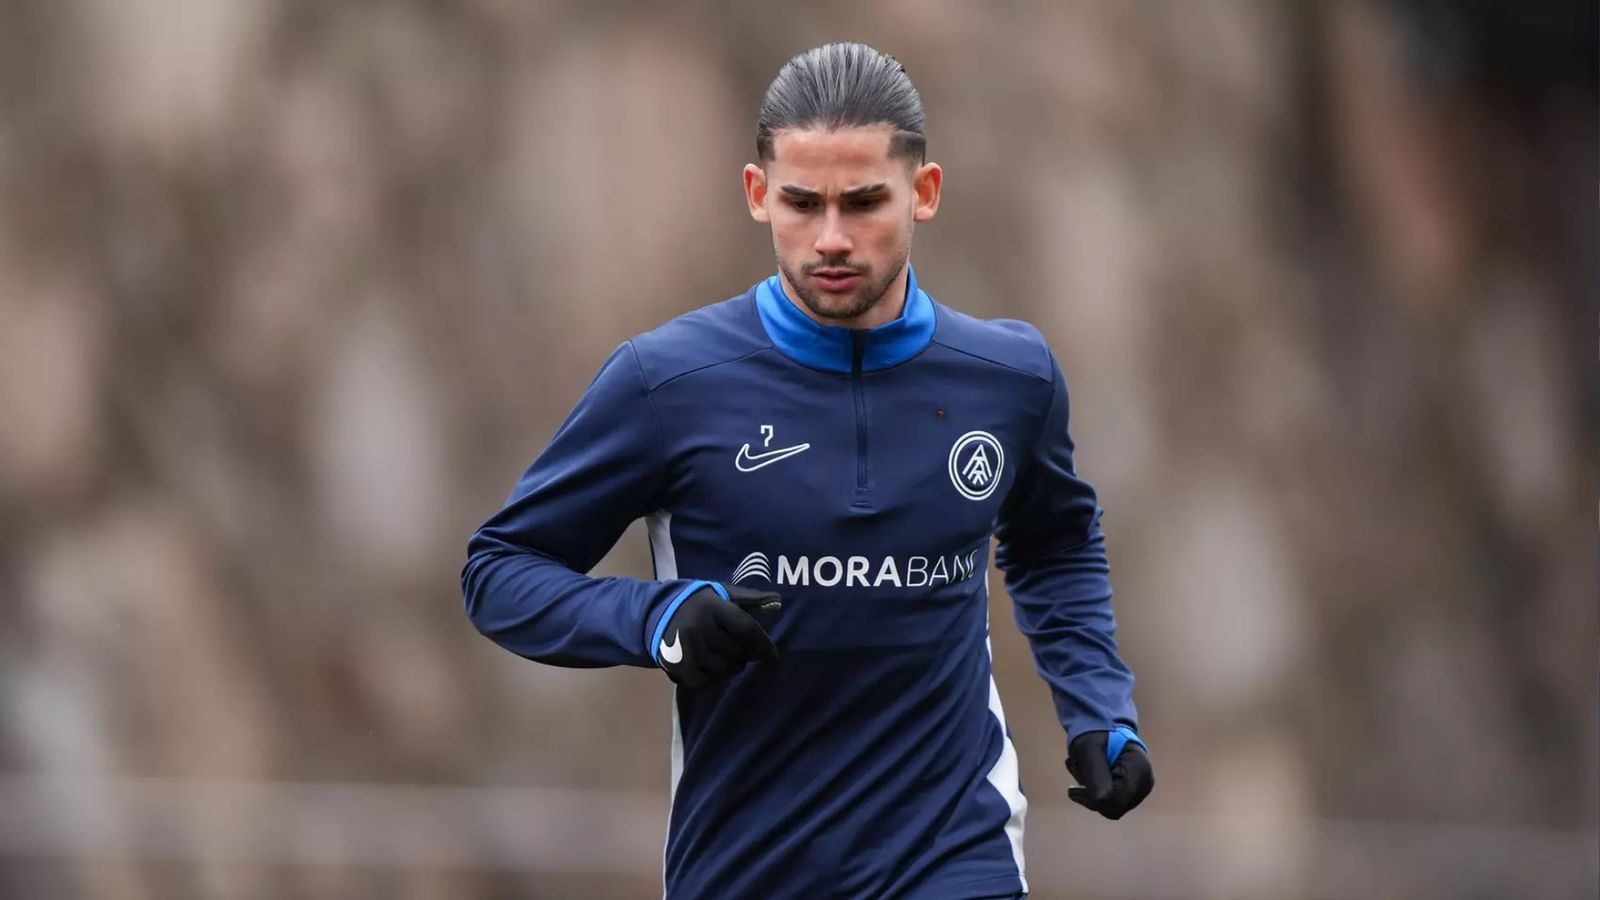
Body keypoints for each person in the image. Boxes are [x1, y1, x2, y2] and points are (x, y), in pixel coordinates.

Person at [462, 41, 1153, 899]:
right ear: (759, 195)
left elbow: (1055, 546)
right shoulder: (665, 384)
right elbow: (498, 574)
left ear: (924, 193)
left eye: (864, 202)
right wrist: (655, 617)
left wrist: (1100, 708)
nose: (831, 238)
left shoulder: (1010, 380)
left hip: (954, 852)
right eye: (802, 202)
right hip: (749, 865)